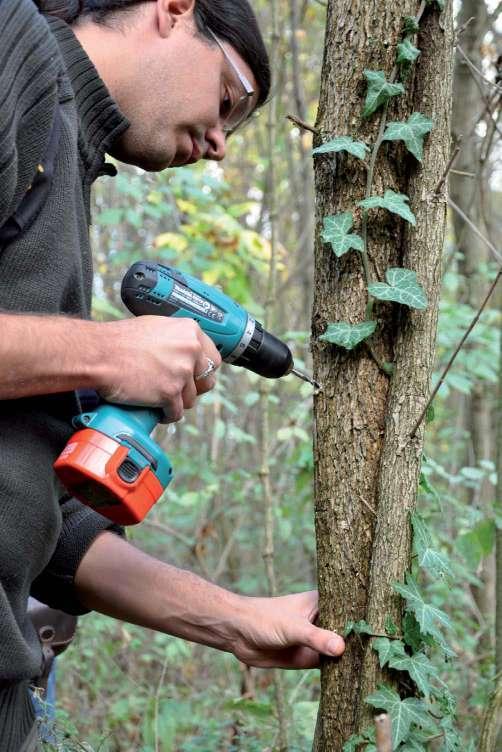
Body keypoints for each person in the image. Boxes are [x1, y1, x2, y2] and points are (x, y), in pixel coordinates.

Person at [0, 0, 345, 748]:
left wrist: (236, 620)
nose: (222, 142)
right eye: (230, 99)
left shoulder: (68, 162)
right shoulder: (10, 46)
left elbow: (43, 526)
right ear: (174, 9)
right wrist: (105, 353)